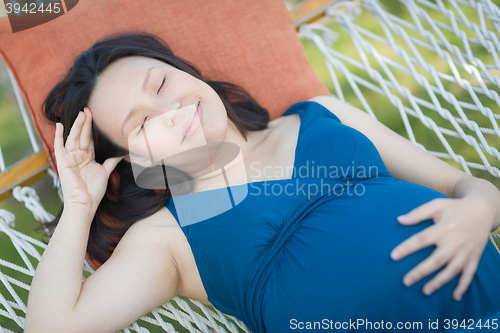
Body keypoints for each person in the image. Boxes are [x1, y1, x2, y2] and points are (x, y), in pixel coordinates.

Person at [24, 32, 500, 333]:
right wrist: (81, 203)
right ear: (135, 159)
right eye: (141, 124)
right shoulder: (167, 239)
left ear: (186, 72)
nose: (169, 111)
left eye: (163, 84)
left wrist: (479, 211)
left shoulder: (322, 114)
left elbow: (466, 187)